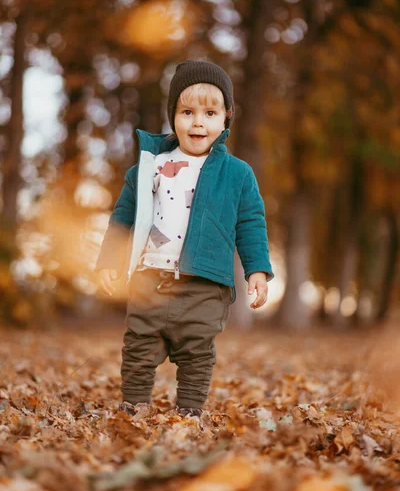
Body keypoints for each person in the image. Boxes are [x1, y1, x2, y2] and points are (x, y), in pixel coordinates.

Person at [95, 59, 274, 420]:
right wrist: (110, 261)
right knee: (139, 344)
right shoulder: (150, 167)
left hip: (205, 283)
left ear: (226, 118)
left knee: (198, 349)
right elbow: (123, 218)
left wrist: (257, 269)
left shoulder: (237, 174)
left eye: (210, 113)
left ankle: (189, 410)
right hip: (150, 278)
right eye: (187, 111)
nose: (197, 121)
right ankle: (134, 404)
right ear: (173, 117)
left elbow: (251, 222)